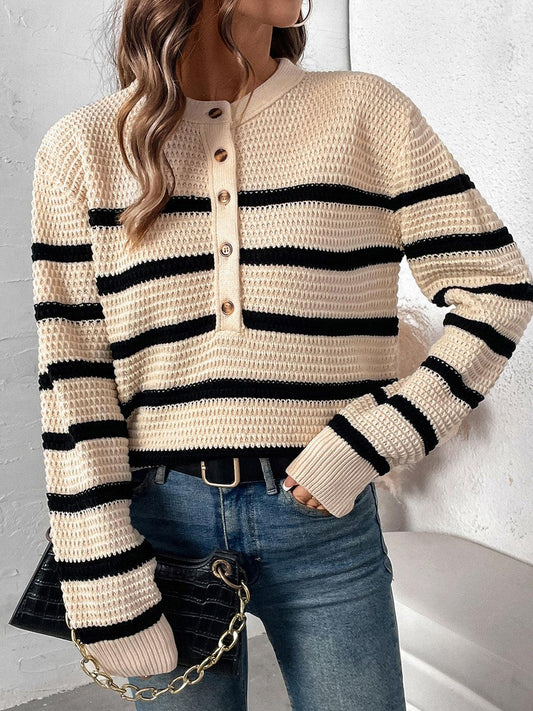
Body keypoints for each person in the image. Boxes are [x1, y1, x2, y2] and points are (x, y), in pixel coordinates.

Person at [30, 0, 533, 709]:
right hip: (158, 526)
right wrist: (99, 568)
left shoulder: (367, 112)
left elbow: (497, 289)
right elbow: (73, 377)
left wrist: (373, 440)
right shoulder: (82, 148)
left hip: (324, 525)